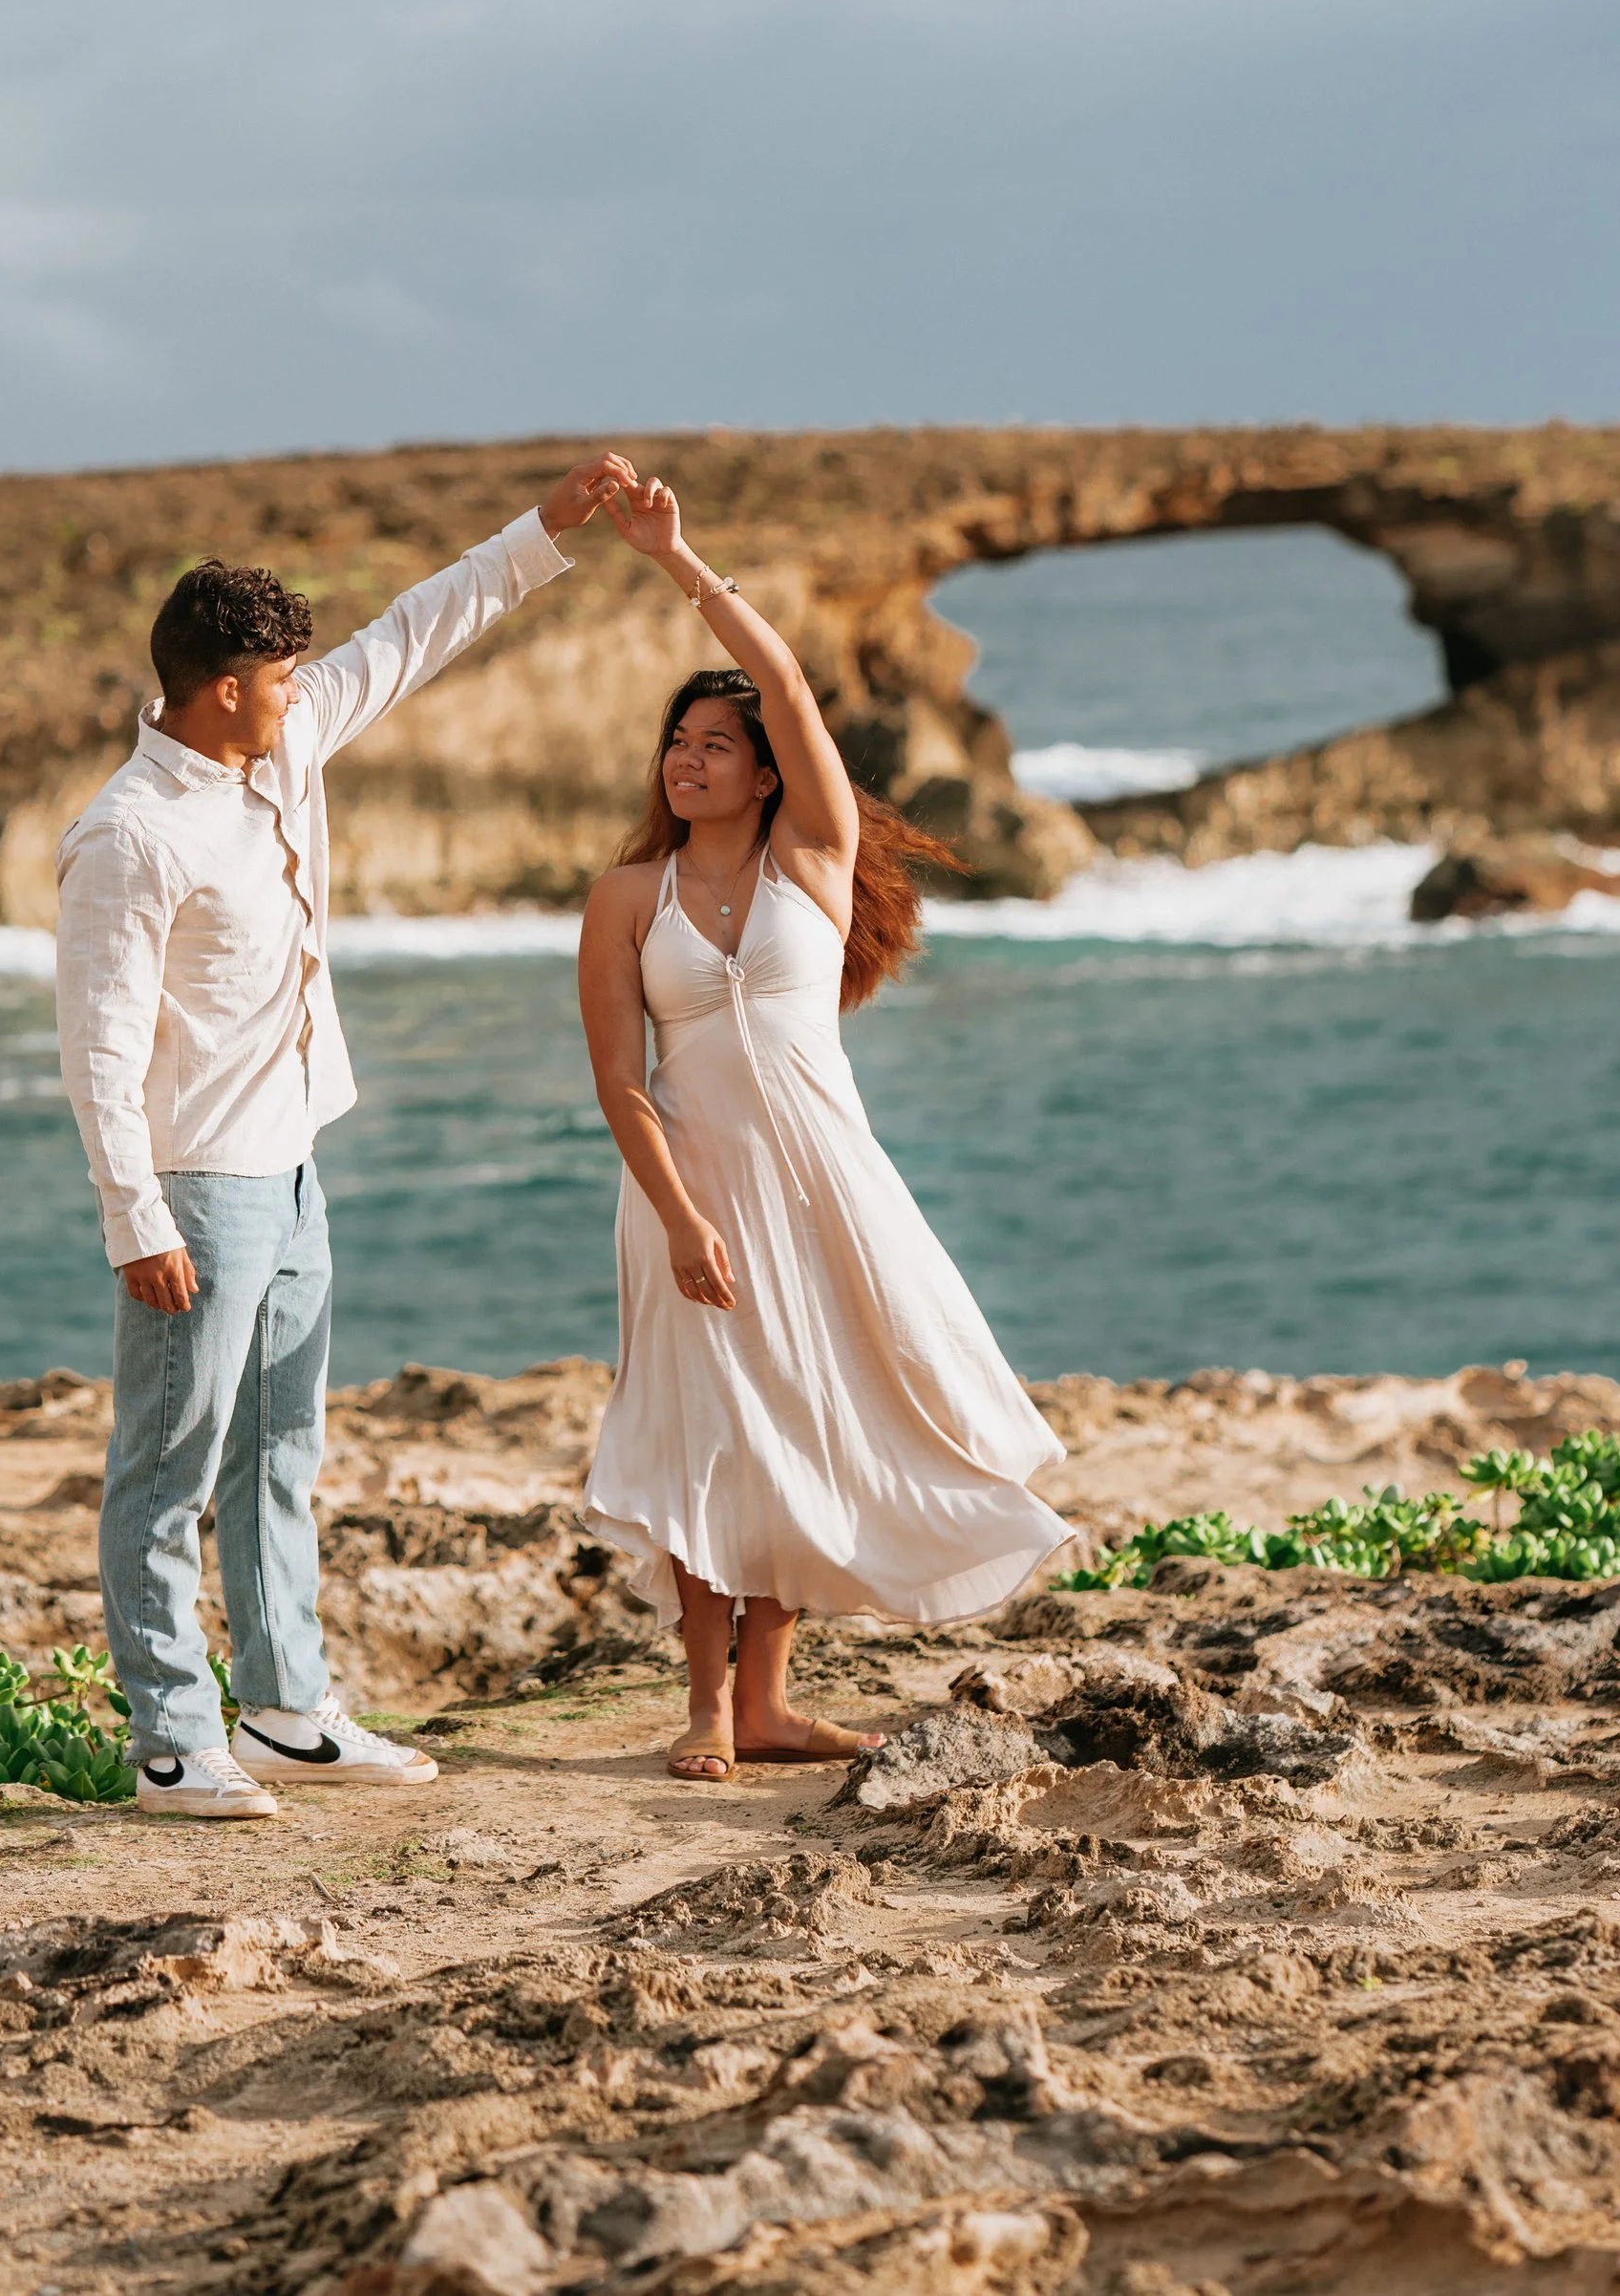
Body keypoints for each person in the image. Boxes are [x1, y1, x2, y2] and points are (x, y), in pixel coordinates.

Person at [56, 451, 638, 1817]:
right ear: (218, 691)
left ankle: (284, 1710)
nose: (304, 690)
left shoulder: (288, 738)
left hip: (296, 1162)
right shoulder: (129, 836)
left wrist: (545, 530)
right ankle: (168, 1738)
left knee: (281, 1452)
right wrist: (131, 1212)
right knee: (165, 1467)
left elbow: (414, 632)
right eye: (277, 677)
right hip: (197, 1182)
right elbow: (95, 1043)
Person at [578, 476, 1072, 1784]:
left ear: (766, 771)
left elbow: (790, 684)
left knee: (808, 1412)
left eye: (714, 745)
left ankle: (768, 1700)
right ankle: (702, 1708)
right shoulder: (628, 896)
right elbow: (622, 1080)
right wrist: (681, 1217)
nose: (688, 762)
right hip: (688, 1186)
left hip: (820, 1183)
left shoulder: (816, 862)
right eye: (675, 744)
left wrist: (681, 564)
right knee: (698, 1434)